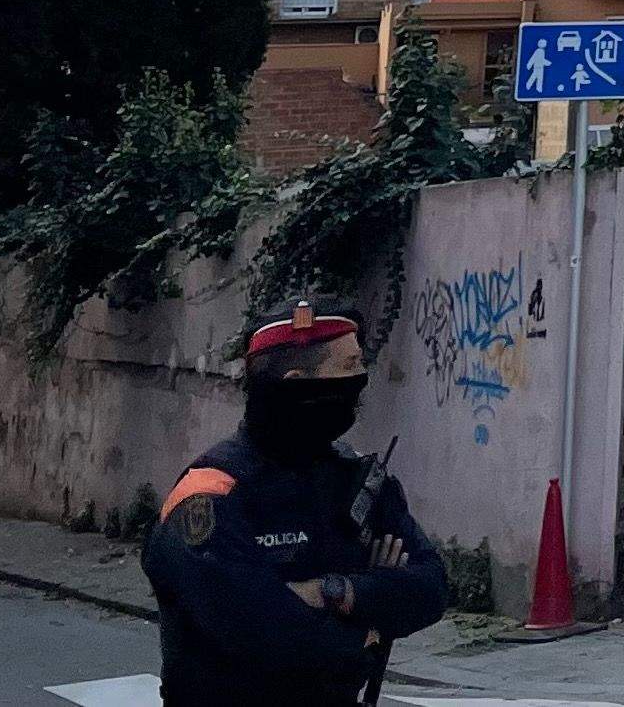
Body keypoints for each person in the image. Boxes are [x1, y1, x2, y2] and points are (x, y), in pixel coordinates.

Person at [146, 303, 450, 707]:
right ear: (299, 386)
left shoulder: (356, 482)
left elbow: (431, 586)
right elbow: (266, 635)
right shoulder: (210, 497)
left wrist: (338, 591)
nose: (360, 381)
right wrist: (372, 627)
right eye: (349, 365)